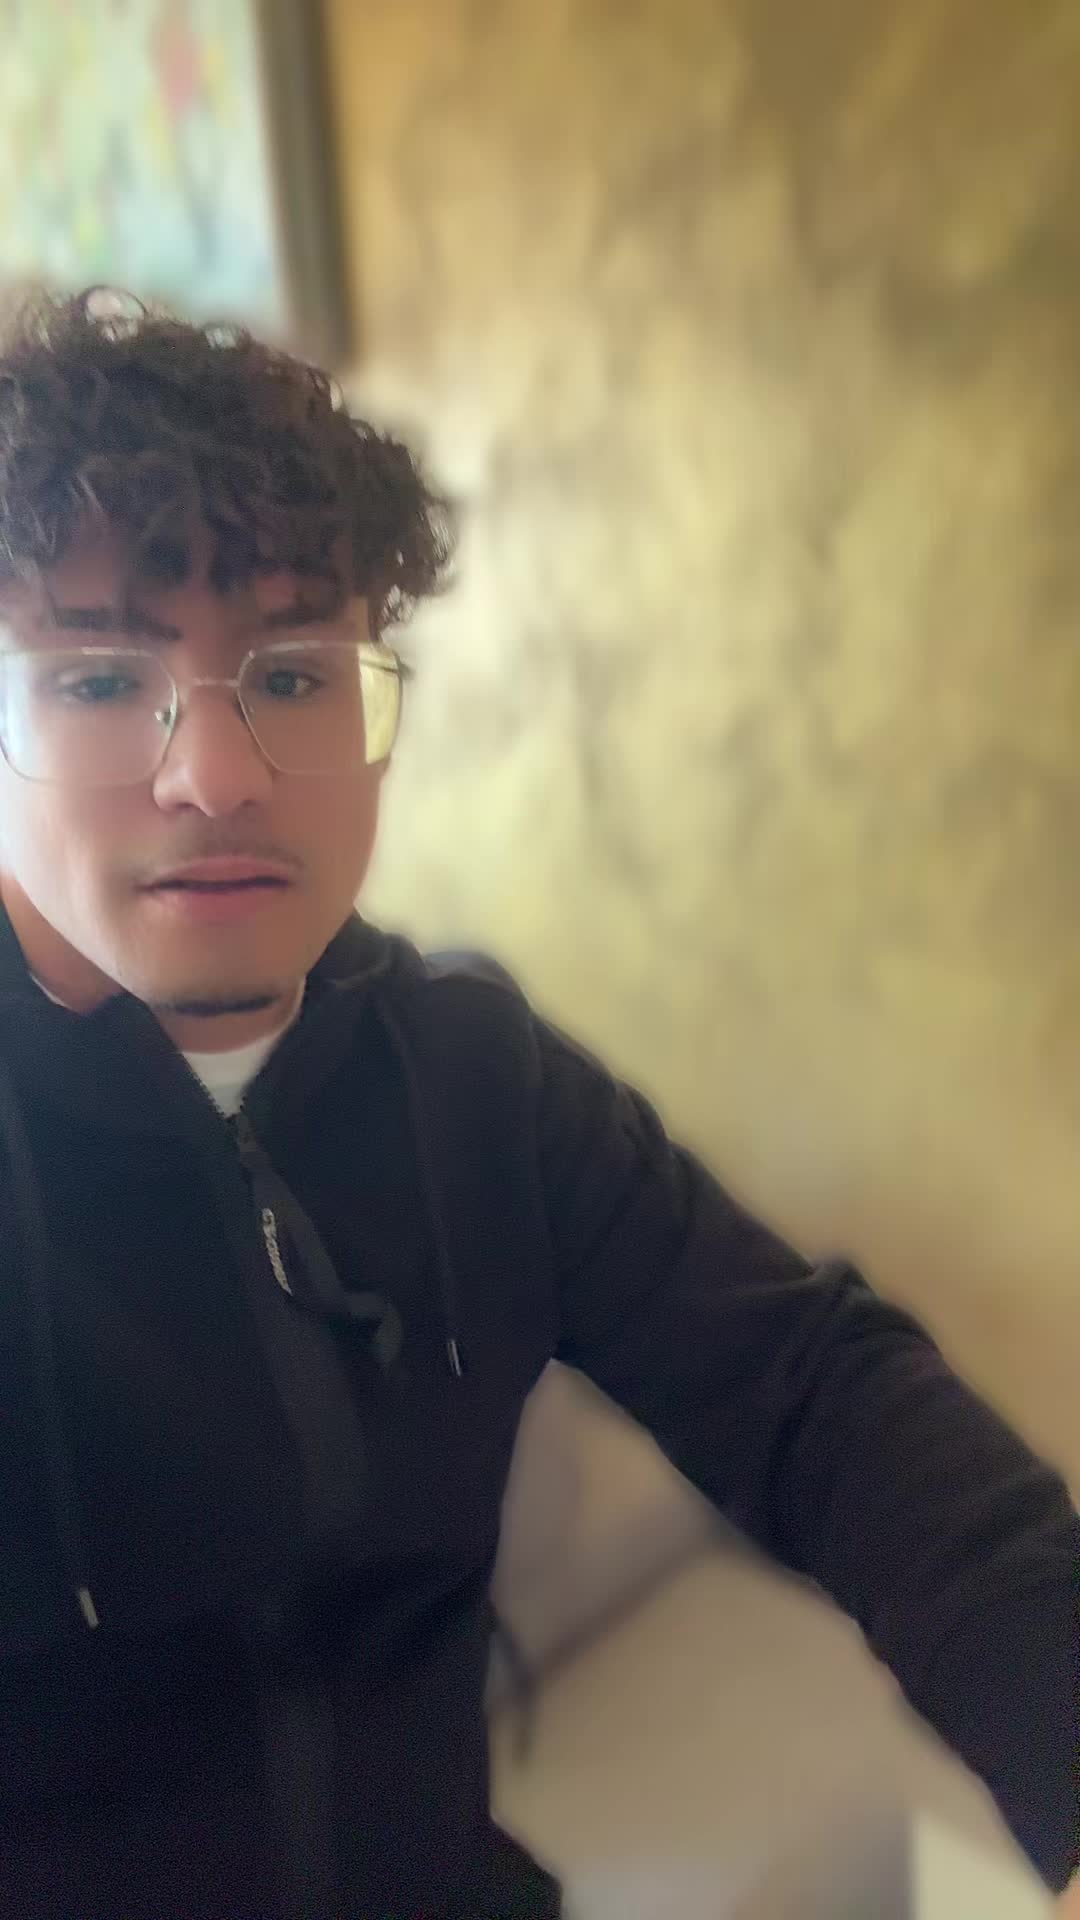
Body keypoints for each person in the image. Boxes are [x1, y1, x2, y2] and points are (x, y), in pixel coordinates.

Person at [0, 286, 1074, 1920]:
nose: (215, 773)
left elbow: (816, 1392)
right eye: (95, 679)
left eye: (293, 673)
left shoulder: (470, 1072)